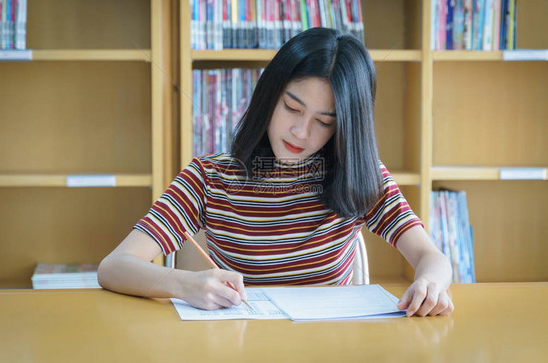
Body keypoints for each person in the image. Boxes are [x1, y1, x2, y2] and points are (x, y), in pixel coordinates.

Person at [98, 27, 454, 317]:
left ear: (343, 128)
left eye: (323, 121)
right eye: (291, 108)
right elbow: (114, 266)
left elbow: (431, 257)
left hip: (331, 349)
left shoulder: (359, 175)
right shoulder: (209, 177)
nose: (301, 131)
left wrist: (431, 284)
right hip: (239, 345)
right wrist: (183, 283)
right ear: (269, 97)